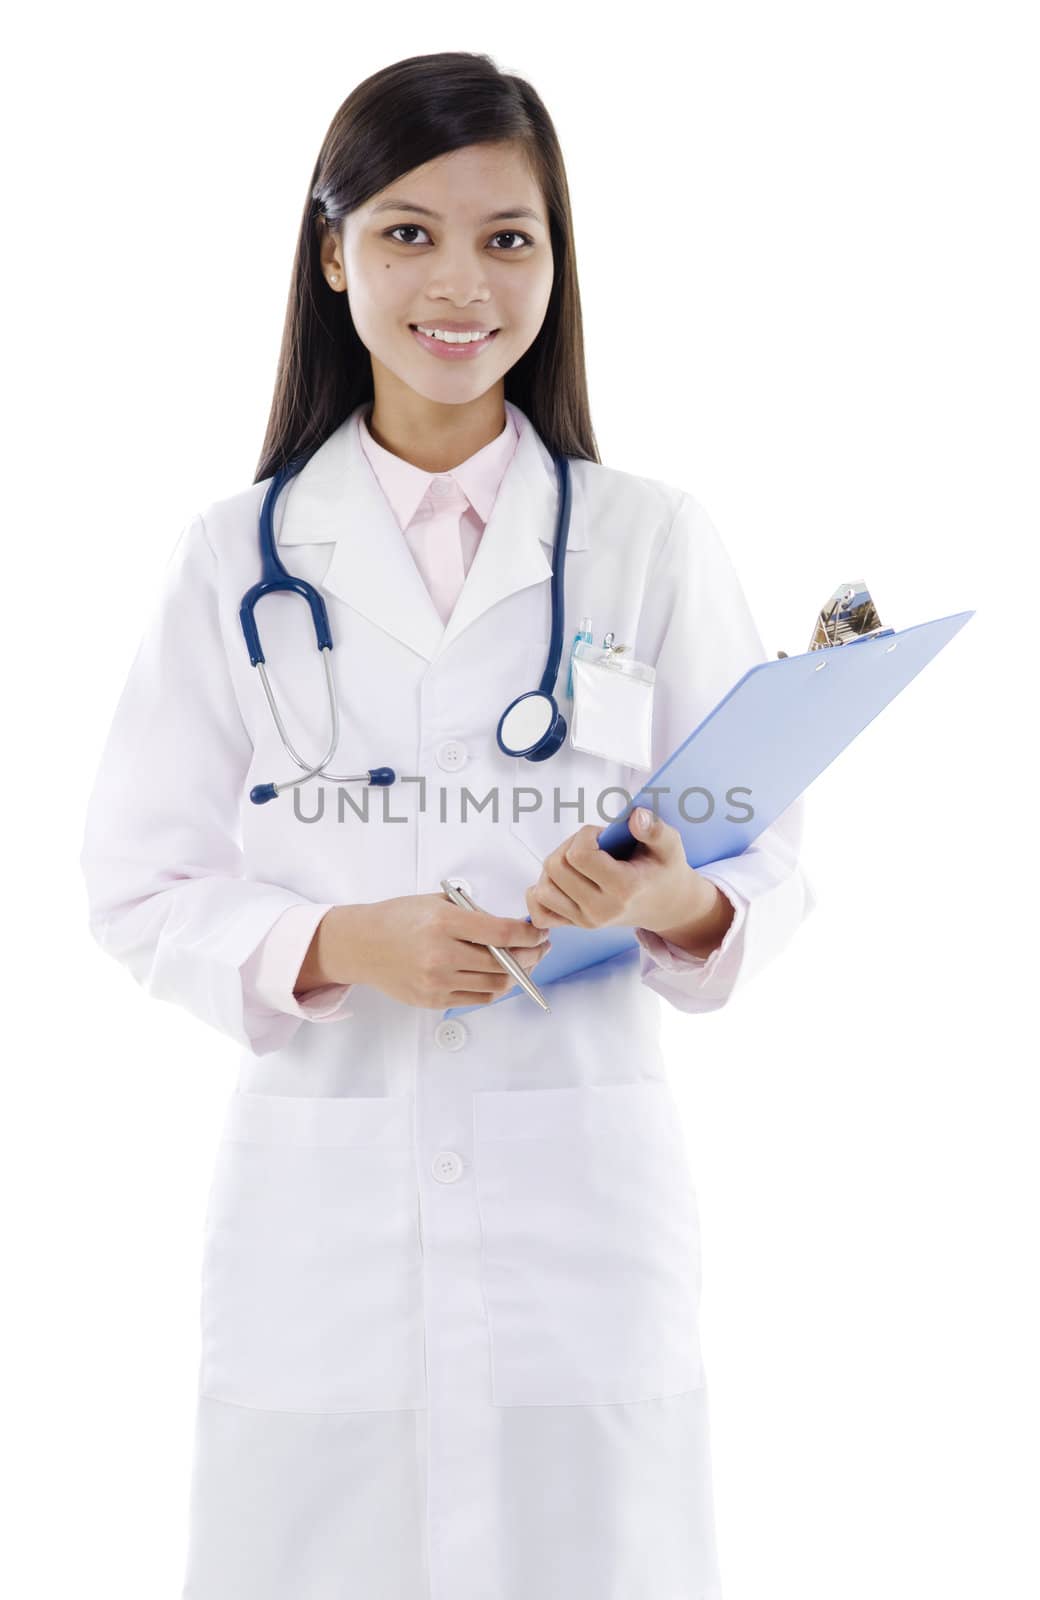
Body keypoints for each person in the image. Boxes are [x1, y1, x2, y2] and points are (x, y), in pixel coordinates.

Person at [80, 50, 816, 1600]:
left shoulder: (648, 542)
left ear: (557, 260)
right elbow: (137, 883)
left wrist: (670, 902)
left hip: (582, 1221)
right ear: (332, 251)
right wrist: (345, 940)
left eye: (510, 236)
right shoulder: (234, 560)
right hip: (324, 1227)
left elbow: (767, 860)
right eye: (409, 232)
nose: (461, 281)